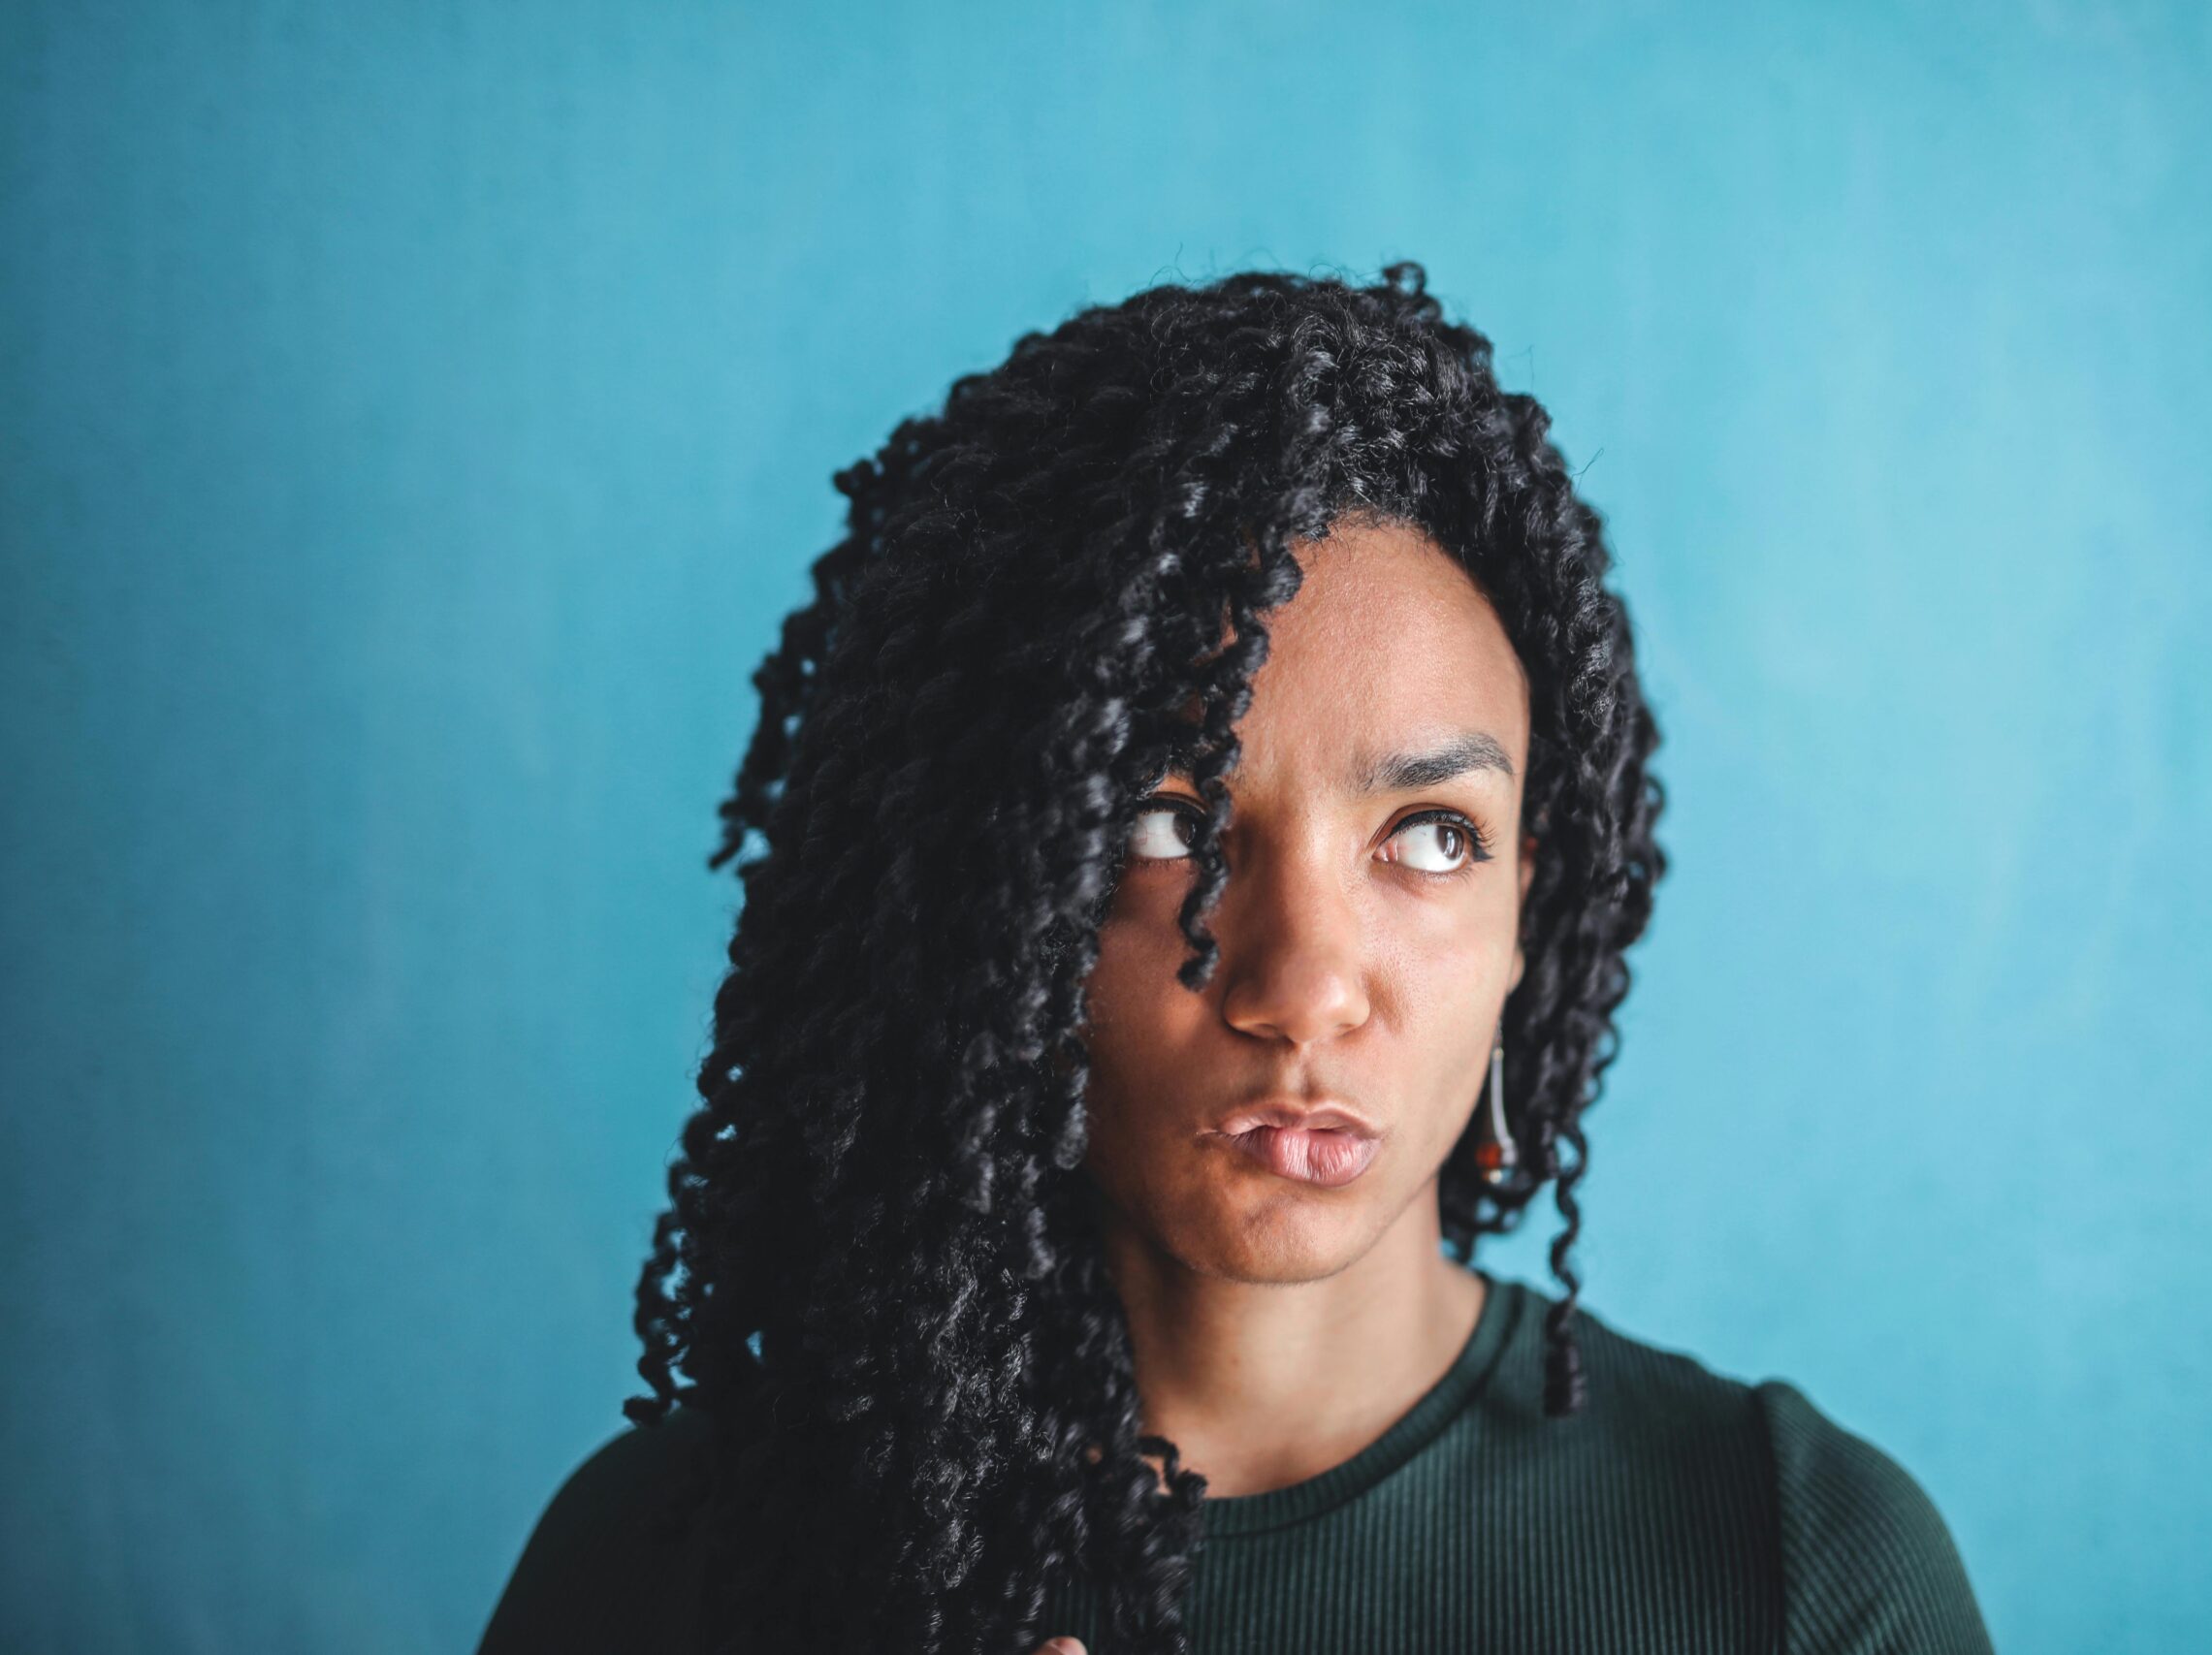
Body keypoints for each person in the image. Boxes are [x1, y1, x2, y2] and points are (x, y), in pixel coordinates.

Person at [475, 264, 1995, 1655]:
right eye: (1164, 822)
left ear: (1530, 907)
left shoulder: (1796, 1566)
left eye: (1430, 834)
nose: (1303, 987)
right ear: (992, 883)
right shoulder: (668, 1574)